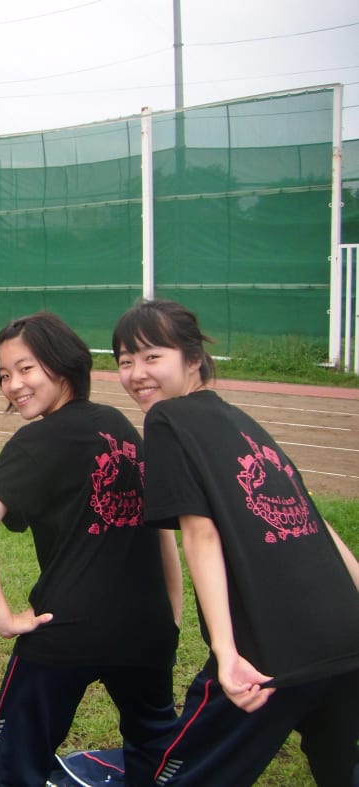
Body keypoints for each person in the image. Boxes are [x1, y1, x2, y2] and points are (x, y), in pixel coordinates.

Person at [113, 298, 359, 786]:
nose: (137, 373)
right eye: (124, 361)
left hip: (271, 648)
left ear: (193, 359)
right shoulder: (240, 420)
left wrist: (226, 652)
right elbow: (312, 515)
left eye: (152, 356)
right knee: (338, 764)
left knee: (185, 774)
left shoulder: (167, 420)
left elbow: (200, 534)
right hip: (344, 633)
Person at [0, 313, 182, 787]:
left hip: (66, 632)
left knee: (16, 761)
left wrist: (2, 618)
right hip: (148, 631)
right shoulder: (120, 424)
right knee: (156, 756)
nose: (13, 385)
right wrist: (172, 613)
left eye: (26, 368)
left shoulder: (37, 440)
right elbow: (163, 527)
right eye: (3, 375)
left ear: (62, 364)